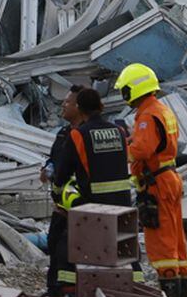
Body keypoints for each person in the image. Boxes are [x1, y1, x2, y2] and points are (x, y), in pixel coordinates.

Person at [116, 63, 187, 297]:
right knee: (177, 243)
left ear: (133, 89)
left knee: (162, 245)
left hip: (157, 183)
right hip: (168, 178)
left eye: (124, 89)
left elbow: (142, 150)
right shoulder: (162, 110)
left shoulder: (147, 115)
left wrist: (119, 151)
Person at [53, 87, 146, 286]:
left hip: (94, 205)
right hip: (122, 205)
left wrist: (58, 193)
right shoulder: (119, 131)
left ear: (80, 108)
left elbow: (63, 172)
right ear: (102, 107)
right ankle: (138, 290)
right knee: (127, 251)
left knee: (66, 249)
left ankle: (65, 294)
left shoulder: (78, 135)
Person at [41, 85, 84, 297]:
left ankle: (69, 296)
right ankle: (54, 291)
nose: (63, 106)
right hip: (60, 206)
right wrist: (47, 168)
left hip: (77, 207)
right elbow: (54, 158)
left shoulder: (85, 133)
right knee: (54, 246)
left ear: (78, 106)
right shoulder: (63, 133)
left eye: (67, 102)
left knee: (69, 253)